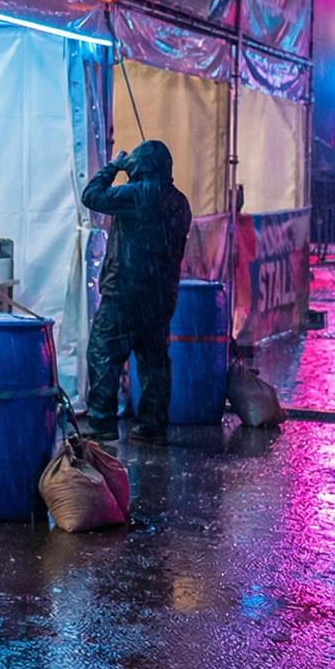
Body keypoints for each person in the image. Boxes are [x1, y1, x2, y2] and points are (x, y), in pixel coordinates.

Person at [81, 139, 192, 442]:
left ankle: (101, 421)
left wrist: (114, 166)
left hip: (124, 292)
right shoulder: (180, 201)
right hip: (160, 295)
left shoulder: (138, 194)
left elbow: (91, 195)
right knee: (154, 360)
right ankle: (152, 424)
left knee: (104, 353)